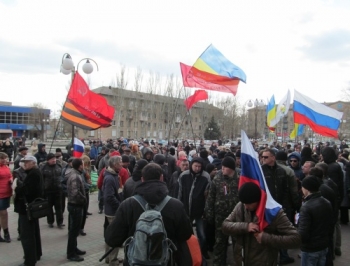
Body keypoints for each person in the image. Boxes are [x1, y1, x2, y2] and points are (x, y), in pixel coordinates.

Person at [105, 163, 193, 265]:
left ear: (142, 179)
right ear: (161, 178)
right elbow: (186, 234)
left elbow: (112, 239)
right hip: (165, 261)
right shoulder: (175, 205)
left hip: (135, 261)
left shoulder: (128, 205)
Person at [222, 182, 301, 266]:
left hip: (264, 261)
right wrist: (245, 226)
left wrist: (266, 238)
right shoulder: (241, 206)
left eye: (249, 204)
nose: (245, 207)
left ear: (258, 200)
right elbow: (225, 225)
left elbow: (295, 239)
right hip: (241, 261)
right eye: (244, 203)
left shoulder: (274, 213)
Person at [205, 156, 239, 266]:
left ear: (231, 168)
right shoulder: (217, 178)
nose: (222, 169)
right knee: (220, 244)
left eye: (225, 167)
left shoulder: (240, 178)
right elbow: (211, 197)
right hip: (220, 217)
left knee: (238, 244)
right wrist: (209, 214)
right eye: (222, 166)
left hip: (236, 218)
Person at [178, 157, 211, 259]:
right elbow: (180, 192)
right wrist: (179, 207)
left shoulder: (206, 177)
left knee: (202, 234)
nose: (197, 168)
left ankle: (203, 251)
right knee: (187, 233)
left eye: (199, 166)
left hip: (200, 210)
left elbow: (207, 195)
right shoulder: (184, 176)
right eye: (195, 166)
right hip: (186, 209)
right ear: (191, 165)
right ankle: (189, 252)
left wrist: (206, 210)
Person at [14, 155, 43, 266]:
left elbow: (27, 191)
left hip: (27, 209)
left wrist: (16, 186)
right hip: (31, 208)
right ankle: (36, 254)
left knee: (27, 235)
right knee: (34, 232)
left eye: (27, 162)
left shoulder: (34, 174)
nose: (24, 164)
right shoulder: (34, 173)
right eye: (23, 162)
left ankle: (30, 260)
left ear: (33, 163)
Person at [298, 176, 333, 266]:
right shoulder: (326, 202)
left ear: (306, 189)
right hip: (323, 245)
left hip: (310, 248)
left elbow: (303, 233)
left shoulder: (306, 207)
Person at [102, 156, 123, 266]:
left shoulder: (113, 175)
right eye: (120, 162)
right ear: (114, 164)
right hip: (113, 212)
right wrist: (119, 206)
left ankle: (108, 257)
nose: (122, 163)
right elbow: (109, 196)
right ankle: (113, 260)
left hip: (112, 210)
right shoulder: (110, 178)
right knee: (115, 236)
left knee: (110, 235)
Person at [66, 158, 87, 262]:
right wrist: (83, 199)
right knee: (74, 231)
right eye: (82, 164)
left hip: (75, 205)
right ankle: (71, 253)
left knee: (75, 230)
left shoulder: (75, 173)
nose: (83, 166)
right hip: (75, 205)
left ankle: (74, 248)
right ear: (79, 166)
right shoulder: (75, 176)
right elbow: (75, 192)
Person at [40, 153, 64, 228]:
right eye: (52, 159)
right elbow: (41, 179)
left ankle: (60, 222)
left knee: (59, 207)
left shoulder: (59, 166)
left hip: (58, 190)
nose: (54, 160)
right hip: (48, 191)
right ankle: (50, 221)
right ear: (48, 160)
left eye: (54, 159)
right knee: (49, 207)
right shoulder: (43, 167)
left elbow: (62, 176)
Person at [0, 152, 13, 243]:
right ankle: (6, 233)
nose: (5, 160)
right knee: (3, 213)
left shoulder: (6, 167)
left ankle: (5, 232)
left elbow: (10, 175)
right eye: (2, 158)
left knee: (3, 213)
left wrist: (11, 179)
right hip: (0, 194)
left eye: (5, 158)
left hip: (6, 193)